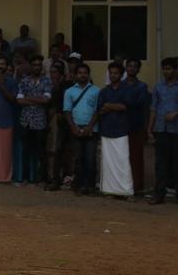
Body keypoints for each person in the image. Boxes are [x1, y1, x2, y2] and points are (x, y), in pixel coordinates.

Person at [148, 57, 178, 206]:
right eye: (164, 69)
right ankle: (159, 194)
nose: (165, 72)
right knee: (161, 164)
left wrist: (177, 113)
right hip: (161, 128)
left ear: (176, 70)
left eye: (168, 69)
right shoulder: (158, 87)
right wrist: (150, 128)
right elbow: (153, 108)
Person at [97, 62, 133, 198]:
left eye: (116, 73)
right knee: (107, 163)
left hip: (121, 129)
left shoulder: (126, 89)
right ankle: (109, 190)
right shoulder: (104, 91)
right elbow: (100, 109)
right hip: (106, 129)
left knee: (123, 161)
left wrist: (108, 106)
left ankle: (125, 191)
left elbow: (124, 107)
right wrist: (114, 106)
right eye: (111, 73)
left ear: (121, 74)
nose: (113, 75)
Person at [64, 63, 100, 195]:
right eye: (80, 72)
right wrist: (73, 128)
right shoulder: (69, 91)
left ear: (89, 75)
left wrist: (90, 127)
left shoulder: (96, 91)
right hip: (75, 129)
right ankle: (78, 185)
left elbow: (97, 111)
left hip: (91, 130)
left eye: (85, 73)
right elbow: (67, 111)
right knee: (78, 159)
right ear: (75, 75)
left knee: (90, 159)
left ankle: (90, 186)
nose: (82, 75)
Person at [16, 55, 52, 184]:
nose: (37, 67)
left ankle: (42, 178)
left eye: (39, 65)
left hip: (40, 121)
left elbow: (46, 100)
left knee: (41, 151)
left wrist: (29, 98)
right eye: (34, 65)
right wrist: (38, 99)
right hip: (25, 120)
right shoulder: (24, 81)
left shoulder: (46, 81)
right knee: (26, 150)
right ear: (30, 67)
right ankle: (26, 177)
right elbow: (19, 100)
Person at [123, 59, 150, 194]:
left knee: (136, 157)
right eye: (129, 66)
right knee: (122, 157)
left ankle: (138, 186)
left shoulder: (142, 87)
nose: (132, 69)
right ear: (126, 68)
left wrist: (146, 128)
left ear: (139, 69)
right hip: (121, 126)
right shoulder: (120, 85)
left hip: (137, 125)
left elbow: (143, 107)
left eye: (135, 66)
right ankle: (122, 185)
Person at [45, 60, 72, 190]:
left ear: (61, 74)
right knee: (56, 151)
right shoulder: (53, 86)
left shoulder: (66, 86)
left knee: (63, 151)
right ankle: (55, 178)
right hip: (57, 122)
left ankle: (62, 178)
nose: (52, 74)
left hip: (66, 122)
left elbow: (57, 107)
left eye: (55, 72)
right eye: (51, 72)